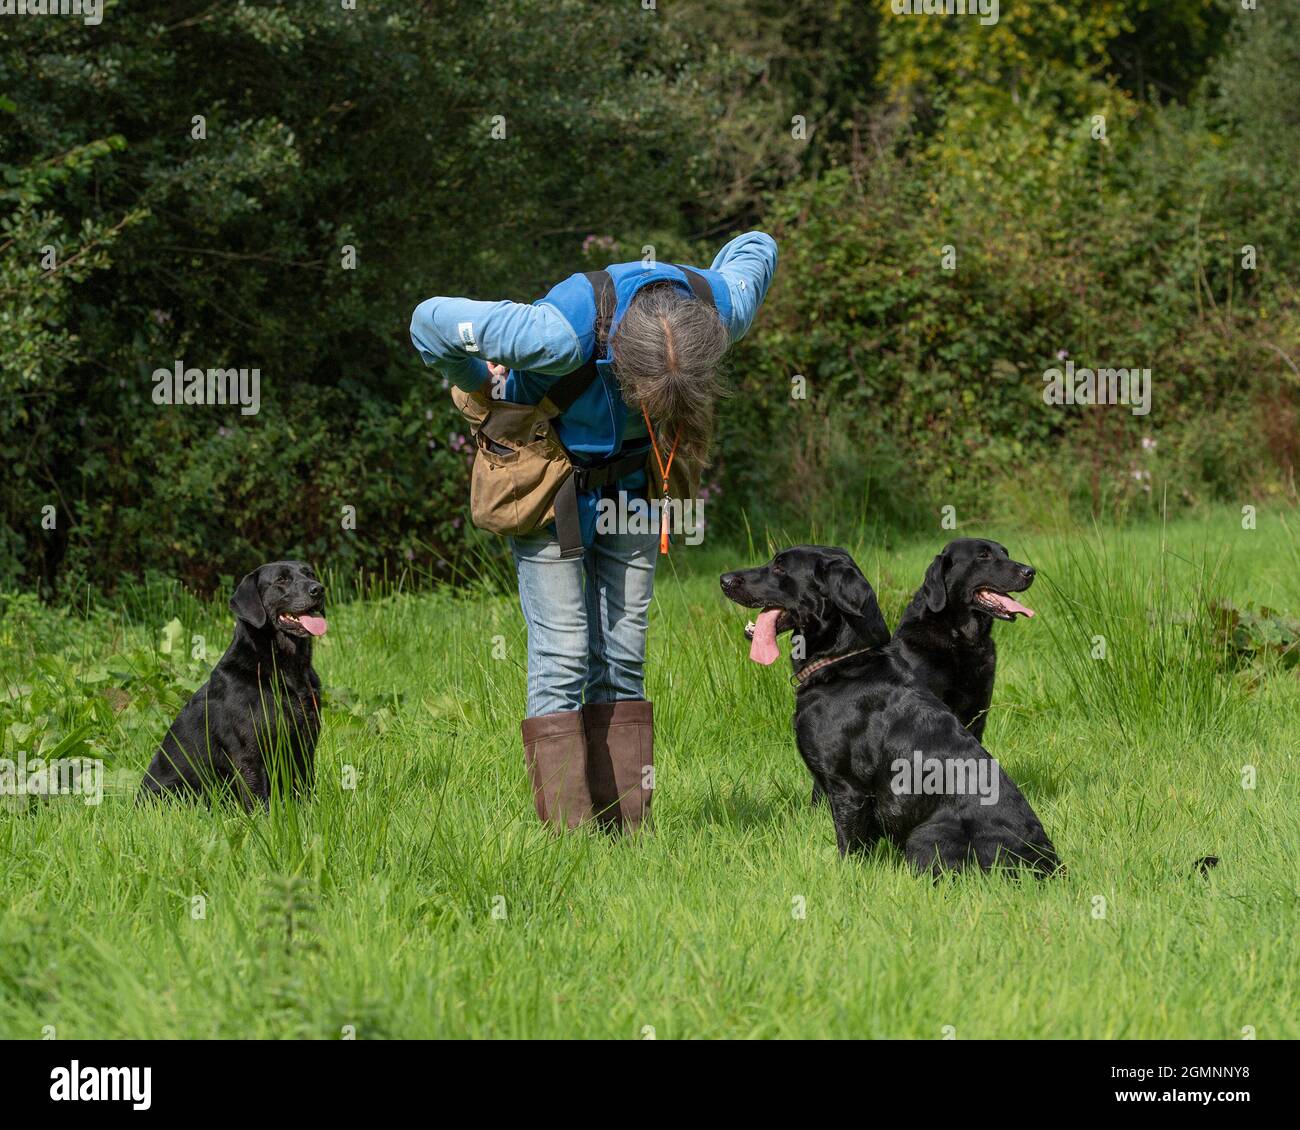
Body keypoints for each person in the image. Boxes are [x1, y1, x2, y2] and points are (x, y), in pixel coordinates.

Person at [410, 232, 778, 833]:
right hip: (548, 483)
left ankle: (627, 833)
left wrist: (728, 257)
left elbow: (757, 246)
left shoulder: (721, 310)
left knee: (625, 655)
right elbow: (429, 320)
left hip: (634, 489)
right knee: (562, 656)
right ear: (617, 363)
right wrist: (478, 378)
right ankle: (570, 840)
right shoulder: (554, 335)